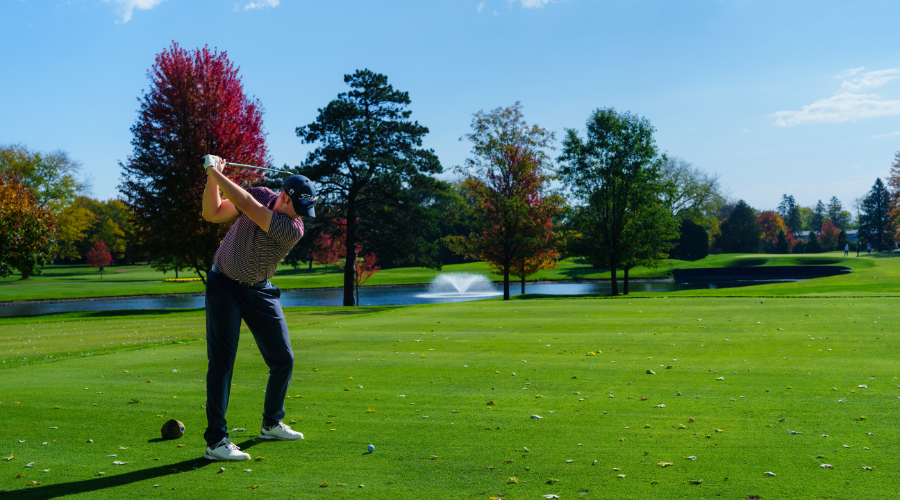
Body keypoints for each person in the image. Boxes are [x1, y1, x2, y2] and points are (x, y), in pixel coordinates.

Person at [199, 154, 316, 461]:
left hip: (260, 291)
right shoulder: (265, 194)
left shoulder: (293, 228)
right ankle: (216, 441)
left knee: (283, 359)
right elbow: (212, 213)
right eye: (297, 206)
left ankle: (271, 422)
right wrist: (213, 178)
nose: (300, 214)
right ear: (284, 196)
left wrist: (214, 169)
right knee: (222, 363)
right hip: (224, 285)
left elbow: (249, 205)